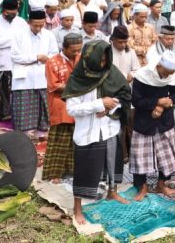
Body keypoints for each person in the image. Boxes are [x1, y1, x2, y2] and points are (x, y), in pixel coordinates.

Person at [64, 40, 132, 225]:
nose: (102, 64)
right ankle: (77, 208)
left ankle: (113, 193)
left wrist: (111, 107)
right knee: (85, 170)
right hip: (88, 133)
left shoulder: (111, 72)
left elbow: (124, 94)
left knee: (113, 163)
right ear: (90, 58)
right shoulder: (78, 78)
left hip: (109, 128)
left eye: (105, 60)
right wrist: (99, 104)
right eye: (99, 60)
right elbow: (72, 109)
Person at [130, 51, 175, 201]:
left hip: (164, 121)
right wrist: (157, 102)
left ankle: (161, 183)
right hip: (144, 121)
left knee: (165, 156)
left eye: (170, 73)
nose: (167, 76)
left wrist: (167, 103)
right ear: (158, 66)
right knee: (141, 156)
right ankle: (142, 187)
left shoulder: (172, 75)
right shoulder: (142, 76)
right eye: (165, 73)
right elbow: (136, 100)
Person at [10, 9, 58, 140]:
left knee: (43, 105)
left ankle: (42, 132)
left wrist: (46, 58)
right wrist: (36, 58)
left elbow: (54, 53)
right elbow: (15, 56)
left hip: (43, 75)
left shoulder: (49, 35)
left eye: (41, 25)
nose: (38, 28)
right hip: (24, 76)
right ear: (28, 22)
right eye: (35, 25)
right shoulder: (18, 35)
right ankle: (24, 136)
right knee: (24, 106)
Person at [42, 33, 83, 182]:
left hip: (79, 103)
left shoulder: (81, 59)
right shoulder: (52, 62)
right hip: (61, 104)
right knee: (59, 140)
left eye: (79, 50)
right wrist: (77, 88)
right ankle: (55, 173)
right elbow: (54, 86)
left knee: (76, 139)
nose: (77, 53)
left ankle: (73, 170)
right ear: (64, 48)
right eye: (74, 50)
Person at [0, 0, 28, 120]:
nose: (13, 15)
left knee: (13, 91)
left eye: (15, 13)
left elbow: (25, 41)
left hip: (16, 62)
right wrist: (15, 40)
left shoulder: (21, 22)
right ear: (3, 11)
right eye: (10, 13)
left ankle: (14, 114)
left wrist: (9, 41)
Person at [128, 3, 157, 68]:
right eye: (142, 17)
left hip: (149, 58)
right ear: (135, 15)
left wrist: (149, 50)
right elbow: (130, 45)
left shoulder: (150, 27)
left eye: (145, 17)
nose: (144, 19)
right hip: (135, 59)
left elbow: (155, 41)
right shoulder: (129, 28)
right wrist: (143, 51)